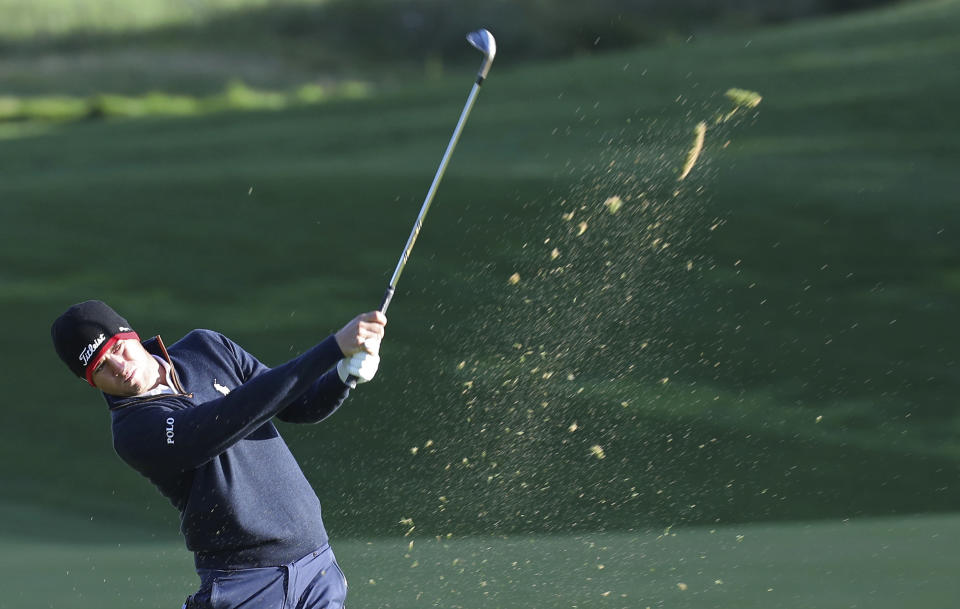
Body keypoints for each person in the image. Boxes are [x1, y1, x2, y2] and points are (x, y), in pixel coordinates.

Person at [51, 299, 386, 609]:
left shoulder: (207, 348)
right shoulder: (132, 431)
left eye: (118, 349)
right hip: (246, 583)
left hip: (317, 566)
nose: (118, 367)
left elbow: (300, 403)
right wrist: (332, 349)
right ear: (91, 382)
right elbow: (223, 421)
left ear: (132, 336)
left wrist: (344, 374)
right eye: (99, 368)